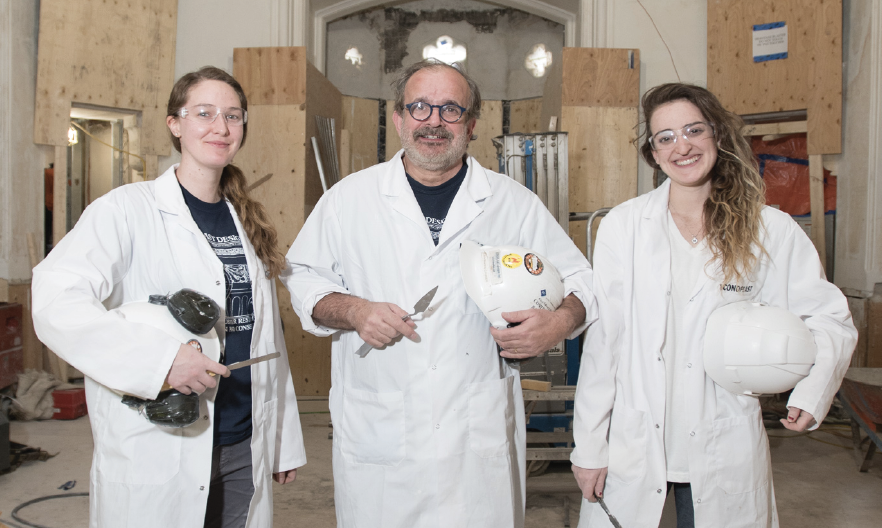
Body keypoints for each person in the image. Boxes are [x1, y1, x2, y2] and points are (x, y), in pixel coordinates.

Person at [282, 59, 597, 527]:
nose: (434, 121)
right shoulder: (350, 200)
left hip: (475, 440)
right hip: (382, 432)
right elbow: (304, 278)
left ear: (471, 123)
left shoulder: (512, 202)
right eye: (420, 107)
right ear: (399, 119)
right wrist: (353, 310)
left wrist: (557, 322)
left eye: (450, 109)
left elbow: (583, 281)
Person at [569, 83, 857, 527]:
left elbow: (829, 317)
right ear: (653, 154)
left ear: (717, 136)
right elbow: (605, 343)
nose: (681, 146)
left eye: (693, 130)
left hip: (724, 440)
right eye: (665, 137)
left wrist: (812, 391)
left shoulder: (768, 229)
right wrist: (588, 447)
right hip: (636, 442)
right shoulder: (624, 227)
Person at [31, 66, 305, 528]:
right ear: (175, 124)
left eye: (233, 116)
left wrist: (282, 441)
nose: (220, 127)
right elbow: (54, 300)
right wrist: (160, 362)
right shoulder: (126, 210)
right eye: (204, 113)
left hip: (242, 439)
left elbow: (263, 337)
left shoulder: (245, 221)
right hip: (159, 439)